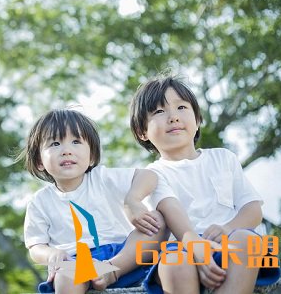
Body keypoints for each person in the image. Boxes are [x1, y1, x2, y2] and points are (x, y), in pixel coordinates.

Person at [128, 75, 281, 294]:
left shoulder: (223, 158)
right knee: (175, 262)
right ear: (142, 132)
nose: (173, 117)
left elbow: (252, 209)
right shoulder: (153, 174)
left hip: (230, 243)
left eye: (181, 107)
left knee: (247, 239)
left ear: (198, 119)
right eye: (159, 112)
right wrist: (195, 247)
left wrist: (228, 228)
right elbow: (170, 211)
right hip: (183, 248)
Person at [20, 108, 169, 294]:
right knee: (65, 275)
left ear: (91, 156)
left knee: (158, 219)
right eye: (55, 143)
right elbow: (35, 246)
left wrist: (133, 200)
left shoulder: (102, 178)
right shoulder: (39, 201)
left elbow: (149, 176)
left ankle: (111, 273)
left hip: (124, 257)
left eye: (76, 142)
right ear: (39, 161)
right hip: (75, 263)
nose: (66, 151)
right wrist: (52, 254)